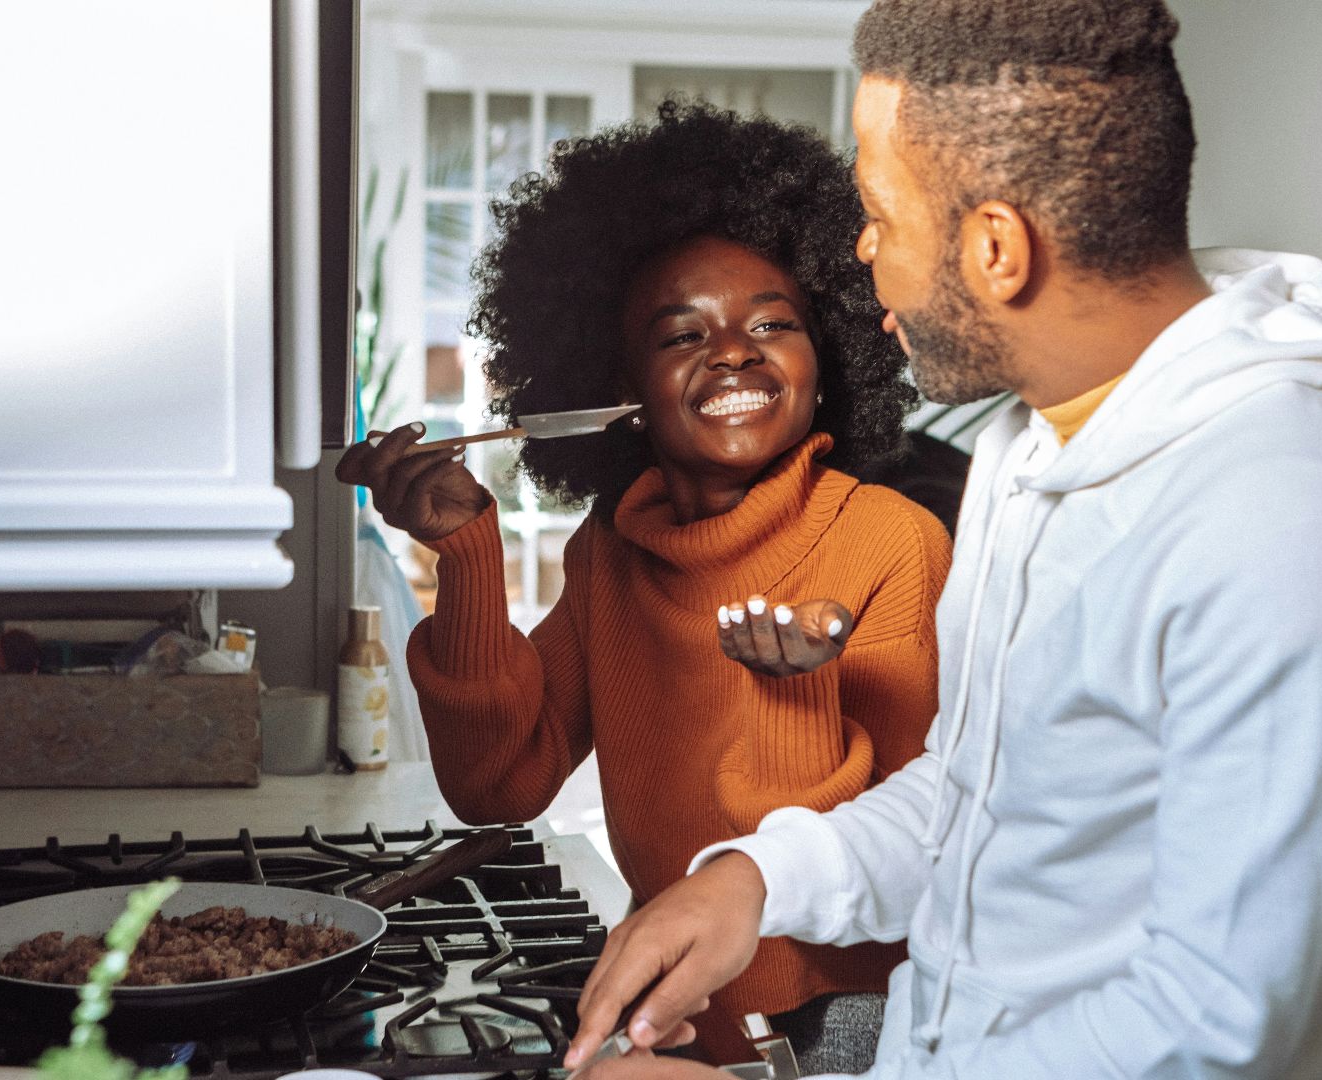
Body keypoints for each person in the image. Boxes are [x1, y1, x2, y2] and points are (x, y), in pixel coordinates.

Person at [563, 1, 1322, 1077]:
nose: (863, 253)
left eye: (883, 216)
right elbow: (984, 797)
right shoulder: (1032, 449)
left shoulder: (1290, 519)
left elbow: (1219, 1028)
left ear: (995, 249)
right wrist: (758, 878)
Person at [335, 101, 954, 1070]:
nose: (734, 349)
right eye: (681, 335)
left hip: (843, 1026)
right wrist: (464, 557)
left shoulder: (891, 542)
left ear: (827, 361)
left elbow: (915, 852)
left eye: (773, 323)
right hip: (672, 997)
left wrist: (791, 691)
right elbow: (499, 786)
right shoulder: (612, 554)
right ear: (617, 390)